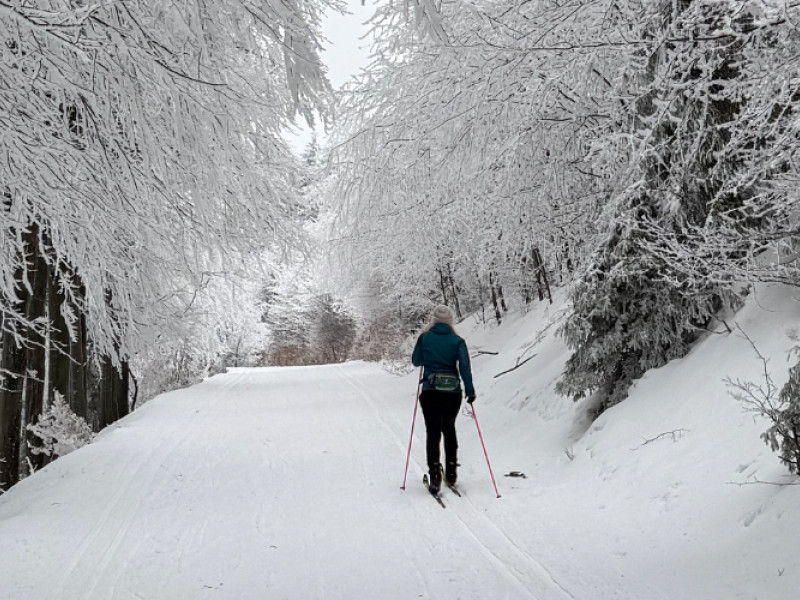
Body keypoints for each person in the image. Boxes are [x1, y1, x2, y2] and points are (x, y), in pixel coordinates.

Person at [411, 305, 476, 495]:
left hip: (431, 391)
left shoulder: (425, 338)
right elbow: (465, 368)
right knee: (449, 429)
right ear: (450, 321)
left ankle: (435, 476)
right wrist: (470, 391)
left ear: (434, 320)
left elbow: (416, 361)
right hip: (452, 393)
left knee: (433, 432)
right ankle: (452, 472)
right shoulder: (457, 341)